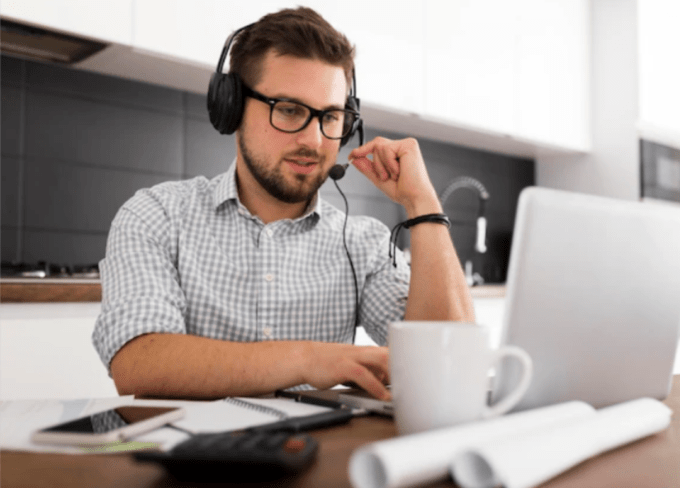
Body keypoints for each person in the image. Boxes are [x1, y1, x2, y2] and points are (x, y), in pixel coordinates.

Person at [92, 7, 474, 401]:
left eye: (331, 116)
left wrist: (423, 205)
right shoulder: (157, 216)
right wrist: (306, 359)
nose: (314, 139)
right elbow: (138, 363)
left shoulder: (365, 245)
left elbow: (447, 361)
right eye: (290, 110)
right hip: (190, 459)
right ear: (233, 106)